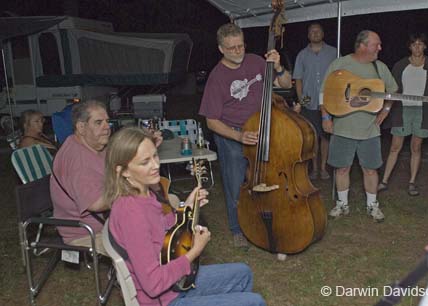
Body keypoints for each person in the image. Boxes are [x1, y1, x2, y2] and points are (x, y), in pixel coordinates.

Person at [104, 127, 266, 306]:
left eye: (155, 156)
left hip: (172, 286)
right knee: (255, 302)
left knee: (243, 273)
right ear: (123, 171)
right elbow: (153, 284)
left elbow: (159, 227)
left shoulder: (144, 193)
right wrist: (195, 252)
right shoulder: (131, 213)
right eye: (145, 162)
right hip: (163, 299)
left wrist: (185, 208)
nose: (156, 165)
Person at [199, 23, 292, 247]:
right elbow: (211, 121)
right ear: (221, 49)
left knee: (265, 179)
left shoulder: (256, 62)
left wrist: (278, 68)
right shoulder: (217, 77)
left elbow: (286, 84)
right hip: (233, 134)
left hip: (262, 128)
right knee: (236, 185)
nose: (238, 51)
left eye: (240, 46)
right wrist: (239, 137)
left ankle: (264, 219)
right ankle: (237, 229)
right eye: (231, 48)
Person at [320, 30, 398, 222]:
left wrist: (385, 111)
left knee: (370, 169)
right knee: (342, 168)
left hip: (370, 130)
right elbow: (324, 93)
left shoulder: (380, 68)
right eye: (376, 44)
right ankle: (342, 204)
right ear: (363, 46)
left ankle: (372, 206)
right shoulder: (340, 64)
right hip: (342, 128)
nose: (380, 47)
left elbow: (393, 91)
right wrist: (325, 117)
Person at [379, 33, 428, 196]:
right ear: (409, 47)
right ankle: (384, 181)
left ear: (425, 46)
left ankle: (412, 182)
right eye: (414, 44)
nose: (417, 47)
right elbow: (392, 90)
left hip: (423, 111)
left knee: (416, 147)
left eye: (420, 44)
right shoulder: (401, 65)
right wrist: (386, 109)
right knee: (395, 147)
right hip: (402, 110)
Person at [50, 100, 111, 254]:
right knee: (146, 239)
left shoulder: (91, 145)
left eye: (107, 121)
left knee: (170, 203)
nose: (107, 127)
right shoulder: (79, 160)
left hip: (107, 221)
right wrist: (130, 189)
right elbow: (95, 204)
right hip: (87, 232)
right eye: (98, 122)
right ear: (81, 127)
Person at [292, 22, 337, 180]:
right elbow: (298, 79)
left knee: (326, 136)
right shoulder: (302, 55)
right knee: (312, 136)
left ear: (323, 33)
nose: (315, 33)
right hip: (308, 101)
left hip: (329, 101)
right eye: (312, 31)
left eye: (318, 31)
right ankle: (314, 169)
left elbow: (340, 76)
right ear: (308, 35)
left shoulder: (334, 52)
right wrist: (301, 100)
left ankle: (324, 168)